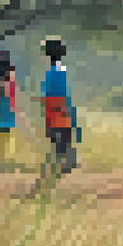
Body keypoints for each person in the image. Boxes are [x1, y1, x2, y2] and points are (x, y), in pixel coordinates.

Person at [40, 37, 80, 177]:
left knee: (58, 137)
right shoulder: (60, 69)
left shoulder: (52, 71)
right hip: (61, 107)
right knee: (63, 136)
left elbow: (50, 93)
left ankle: (64, 163)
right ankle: (67, 161)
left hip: (55, 108)